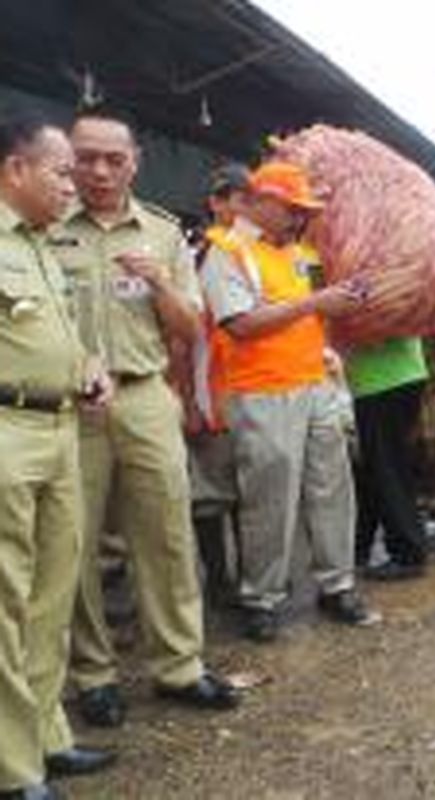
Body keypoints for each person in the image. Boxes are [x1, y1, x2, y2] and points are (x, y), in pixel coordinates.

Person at [52, 110, 237, 728]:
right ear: (68, 159)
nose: (99, 170)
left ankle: (179, 666)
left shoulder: (161, 233)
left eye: (113, 158)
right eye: (86, 157)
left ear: (135, 162)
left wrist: (161, 284)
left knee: (165, 535)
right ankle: (93, 675)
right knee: (74, 545)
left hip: (145, 396)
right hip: (69, 407)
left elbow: (190, 331)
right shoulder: (44, 226)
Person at [199, 160, 377, 642]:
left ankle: (337, 586)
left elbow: (301, 317)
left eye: (303, 210)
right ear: (260, 201)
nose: (299, 217)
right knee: (269, 498)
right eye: (291, 208)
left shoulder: (299, 254)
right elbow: (238, 324)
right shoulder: (225, 252)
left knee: (331, 486)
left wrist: (330, 320)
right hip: (262, 392)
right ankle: (262, 597)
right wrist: (317, 304)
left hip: (313, 383)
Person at [0, 111, 115, 800]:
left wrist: (89, 368)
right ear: (16, 169)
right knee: (4, 601)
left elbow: (53, 336)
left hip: (61, 428)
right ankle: (13, 770)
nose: (74, 185)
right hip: (7, 432)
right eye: (61, 171)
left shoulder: (43, 244)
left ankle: (45, 737)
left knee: (50, 597)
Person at [181, 165, 251, 602]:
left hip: (250, 393)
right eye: (241, 201)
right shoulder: (203, 256)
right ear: (217, 203)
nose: (249, 211)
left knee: (250, 495)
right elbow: (183, 339)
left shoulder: (253, 255)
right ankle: (219, 582)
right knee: (210, 497)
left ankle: (247, 577)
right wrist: (190, 401)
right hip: (215, 395)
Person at [347, 337, 430, 579]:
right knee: (371, 468)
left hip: (383, 382)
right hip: (395, 377)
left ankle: (408, 554)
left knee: (387, 469)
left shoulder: (377, 299)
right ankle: (358, 546)